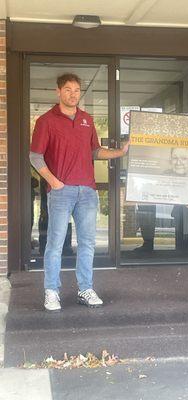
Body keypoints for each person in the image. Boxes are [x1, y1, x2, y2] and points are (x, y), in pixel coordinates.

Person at [30, 73, 129, 312]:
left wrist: (120, 152)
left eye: (76, 90)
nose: (73, 94)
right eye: (68, 90)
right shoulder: (46, 121)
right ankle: (52, 291)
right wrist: (54, 182)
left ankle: (85, 288)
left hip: (87, 191)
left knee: (87, 243)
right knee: (54, 244)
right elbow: (35, 156)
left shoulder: (86, 119)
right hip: (61, 192)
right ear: (58, 92)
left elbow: (95, 151)